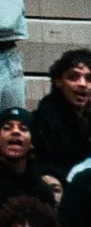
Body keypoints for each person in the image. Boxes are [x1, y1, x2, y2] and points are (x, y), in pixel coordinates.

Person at [30, 46, 91, 185]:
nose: (82, 84)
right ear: (59, 82)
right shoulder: (41, 121)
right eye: (73, 77)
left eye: (89, 78)